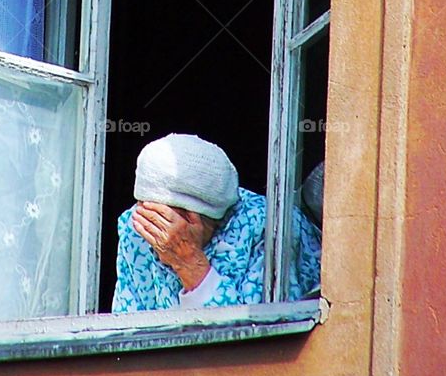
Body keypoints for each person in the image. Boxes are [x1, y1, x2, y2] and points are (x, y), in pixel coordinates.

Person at [112, 133, 322, 312]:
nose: (147, 226)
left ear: (193, 218)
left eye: (159, 216)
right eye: (142, 206)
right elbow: (124, 330)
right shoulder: (136, 230)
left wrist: (190, 263)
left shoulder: (270, 227)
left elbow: (259, 341)